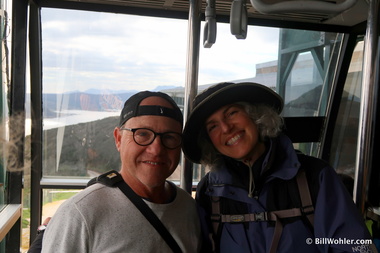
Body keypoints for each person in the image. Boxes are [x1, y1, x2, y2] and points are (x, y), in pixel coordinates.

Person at [182, 82, 377, 253]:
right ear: (209, 141)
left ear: (256, 116)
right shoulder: (209, 192)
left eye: (232, 113)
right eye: (213, 126)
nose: (226, 128)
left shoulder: (314, 177)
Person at [37, 91, 201, 253]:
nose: (156, 149)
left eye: (170, 137)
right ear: (118, 139)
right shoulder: (80, 214)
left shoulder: (188, 208)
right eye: (142, 134)